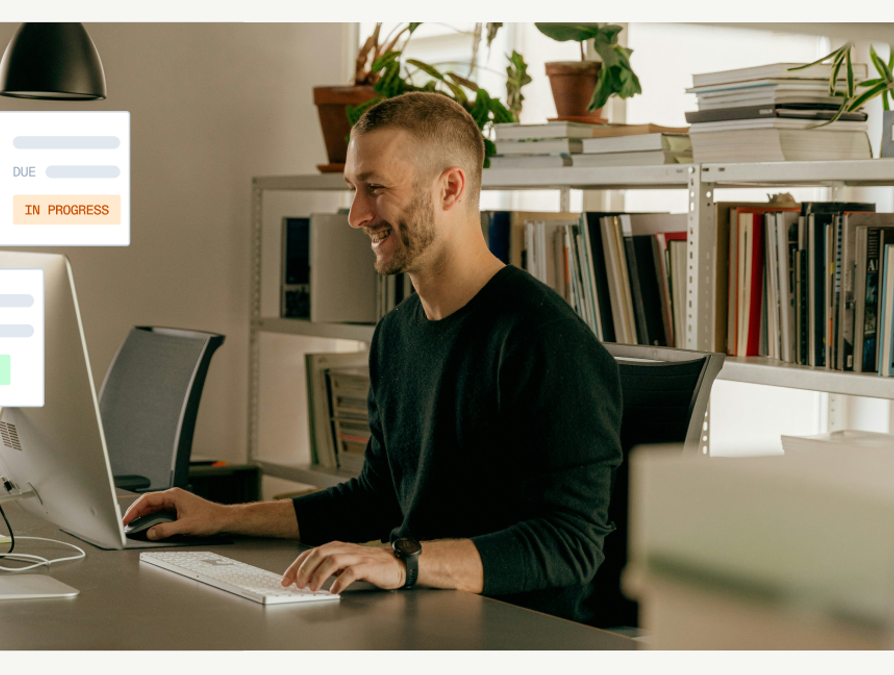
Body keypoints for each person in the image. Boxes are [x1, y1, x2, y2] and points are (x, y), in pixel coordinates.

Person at [122, 92, 622, 621]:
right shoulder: (396, 333)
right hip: (412, 611)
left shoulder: (544, 339)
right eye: (352, 189)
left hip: (509, 632)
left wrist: (401, 561)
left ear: (450, 187)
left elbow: (570, 544)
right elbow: (376, 498)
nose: (356, 214)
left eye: (375, 188)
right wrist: (222, 518)